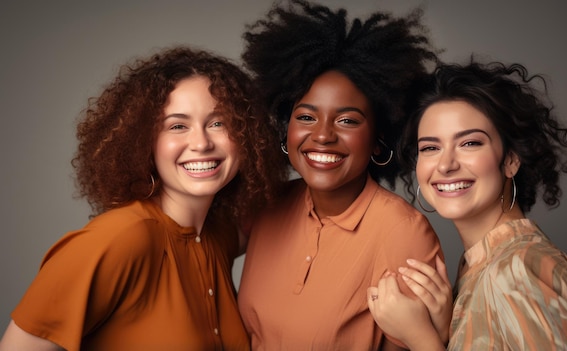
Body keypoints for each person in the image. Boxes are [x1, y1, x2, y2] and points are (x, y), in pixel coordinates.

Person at [0, 46, 286, 351]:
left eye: (219, 123)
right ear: (142, 141)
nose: (201, 143)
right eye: (177, 126)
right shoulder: (119, 239)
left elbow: (294, 209)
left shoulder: (221, 235)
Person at [236, 1, 446, 350]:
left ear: (379, 140)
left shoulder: (403, 234)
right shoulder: (268, 204)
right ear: (285, 128)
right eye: (305, 117)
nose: (322, 135)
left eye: (347, 120)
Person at [367, 60, 567, 350]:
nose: (445, 165)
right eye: (430, 148)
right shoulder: (482, 265)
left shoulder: (518, 271)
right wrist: (447, 332)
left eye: (470, 143)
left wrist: (421, 339)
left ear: (510, 159)